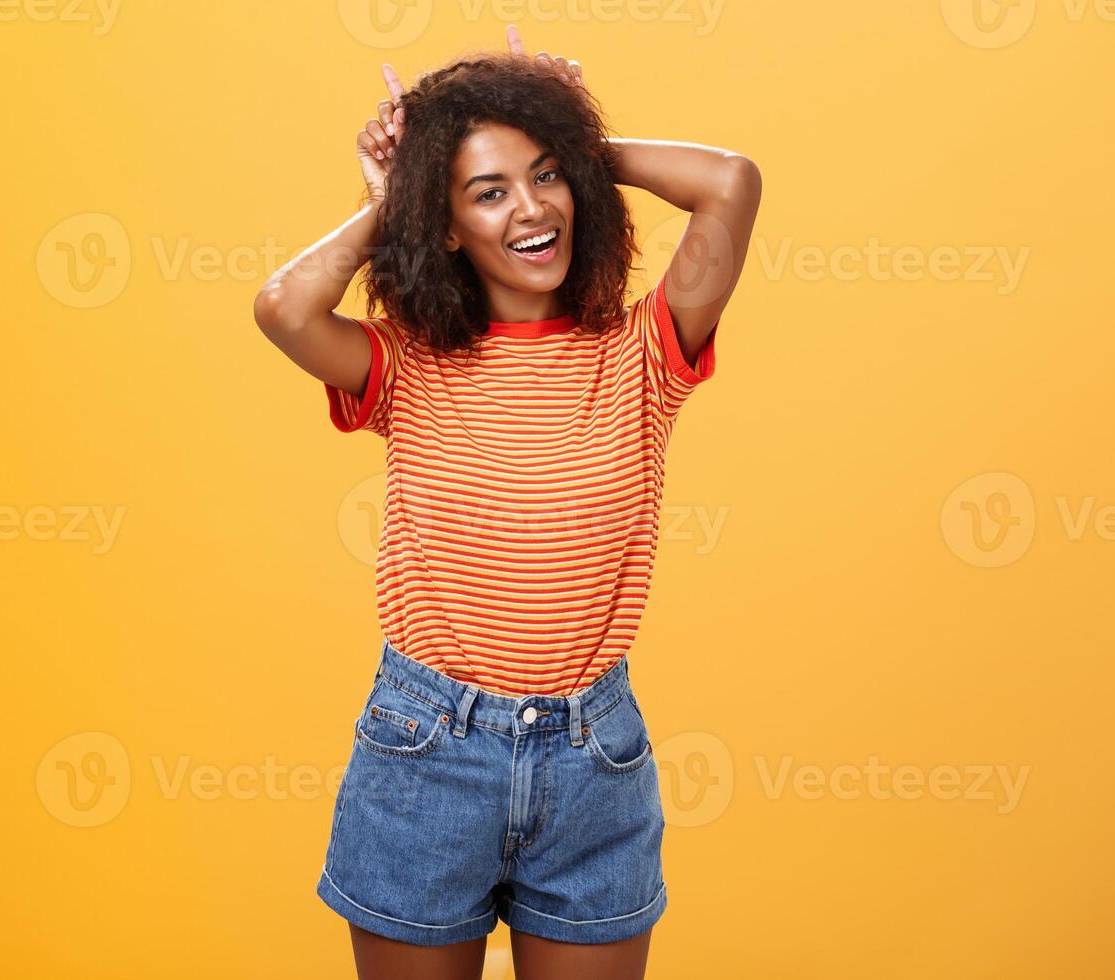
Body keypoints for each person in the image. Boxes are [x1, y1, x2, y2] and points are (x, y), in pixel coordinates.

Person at [252, 25, 763, 980]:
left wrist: (573, 139)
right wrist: (391, 196)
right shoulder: (406, 364)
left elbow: (730, 181)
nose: (530, 209)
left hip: (592, 761)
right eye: (487, 192)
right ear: (446, 225)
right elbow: (282, 308)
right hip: (425, 751)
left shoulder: (643, 354)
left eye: (545, 177)